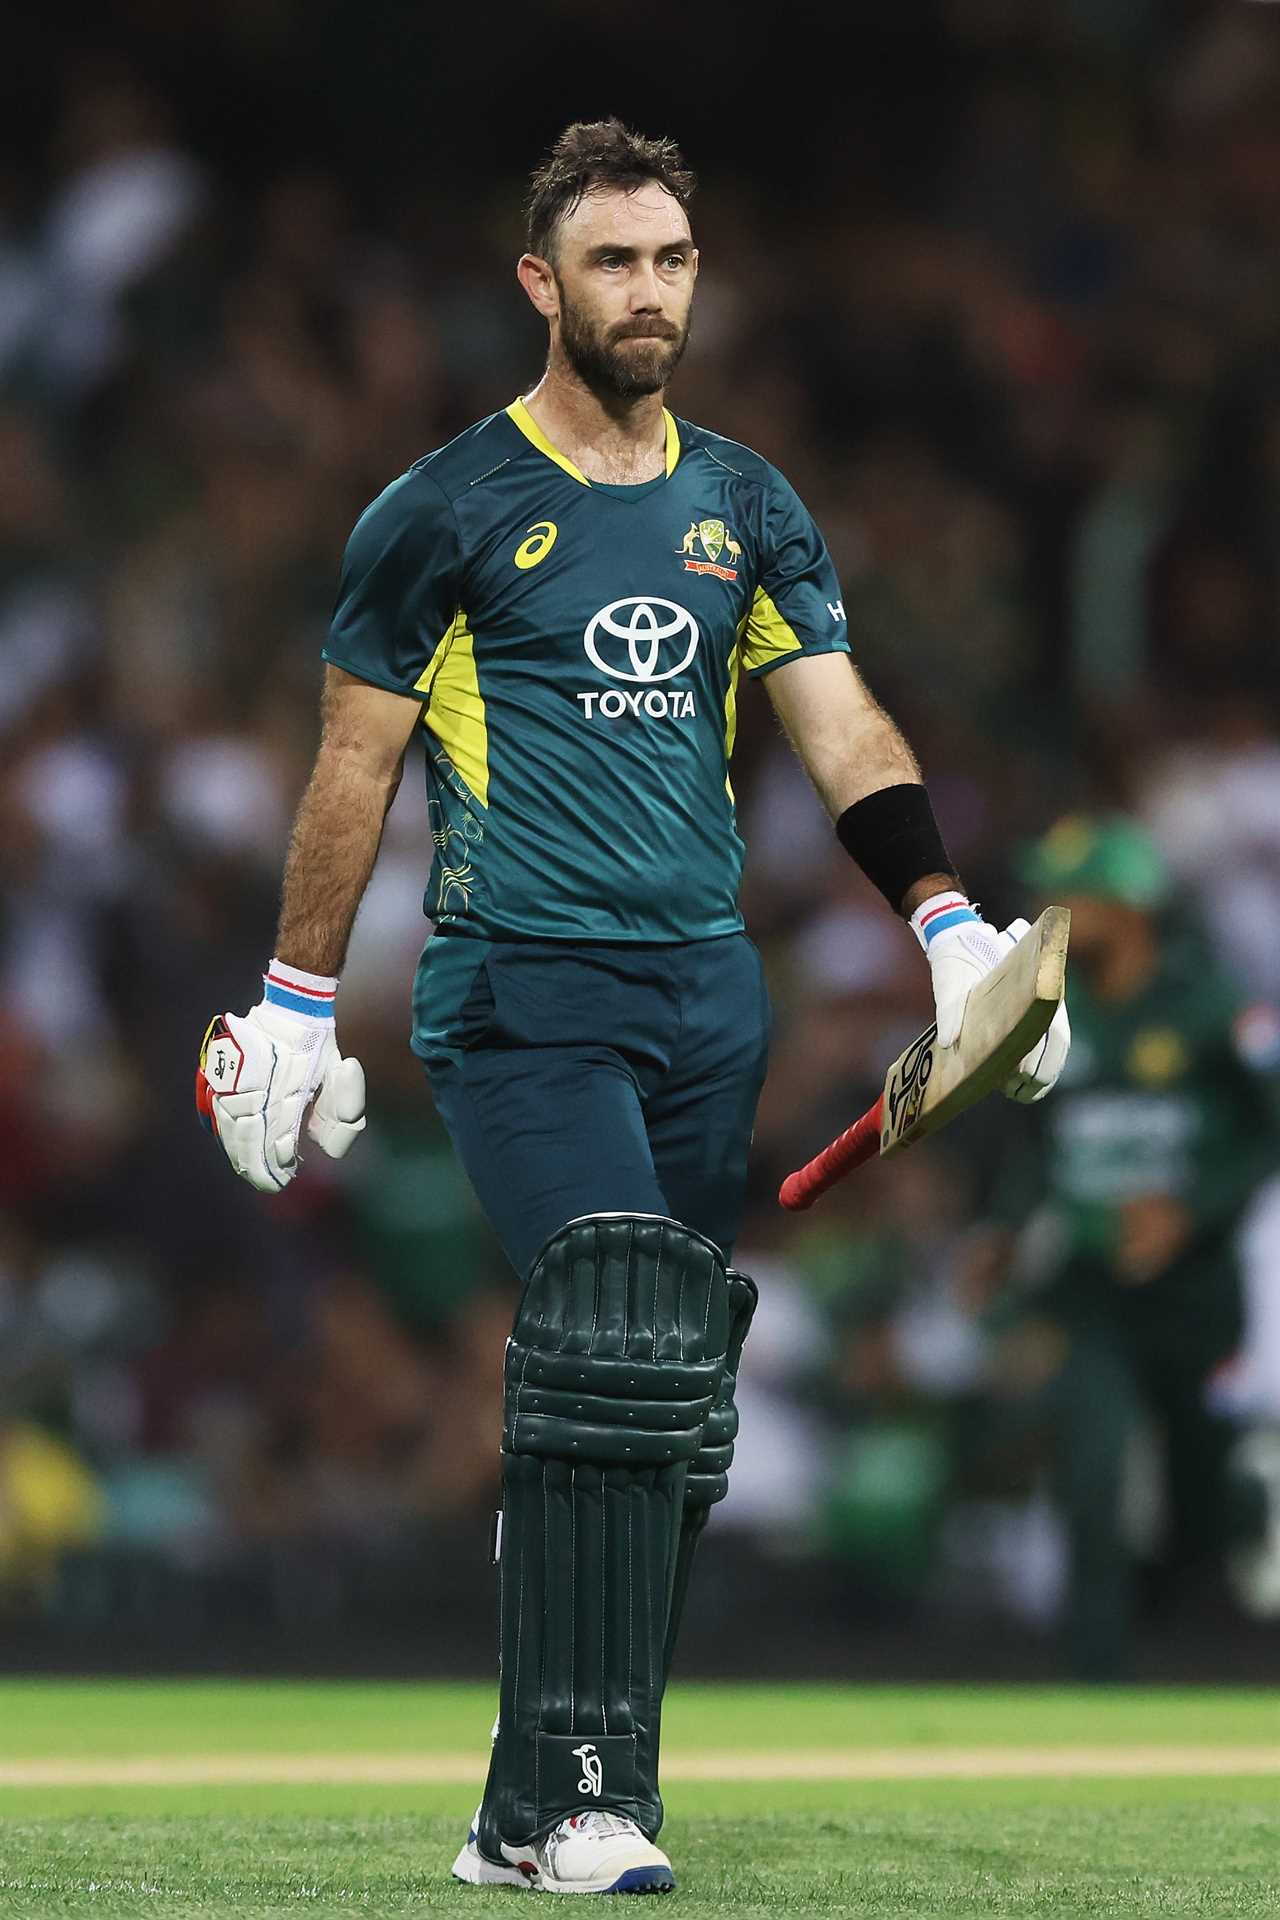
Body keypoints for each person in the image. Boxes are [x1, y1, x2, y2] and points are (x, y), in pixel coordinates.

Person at [196, 120, 1068, 1896]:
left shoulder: (745, 504)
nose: (649, 293)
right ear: (541, 283)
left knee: (669, 1413)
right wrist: (293, 1001)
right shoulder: (442, 509)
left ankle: (526, 1814)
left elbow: (843, 729)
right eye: (613, 262)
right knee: (612, 1326)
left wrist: (954, 929)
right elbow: (353, 767)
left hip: (705, 1003)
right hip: (523, 987)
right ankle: (590, 1803)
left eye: (672, 261)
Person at [966, 815, 1280, 1678]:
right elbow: (1032, 1147)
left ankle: (1211, 1669)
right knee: (1093, 1466)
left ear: (1128, 904)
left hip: (1197, 1286)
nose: (1048, 912)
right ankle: (1092, 1679)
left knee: (1201, 1482)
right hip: (1091, 1280)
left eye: (1072, 897)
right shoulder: (1047, 1011)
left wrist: (1191, 1209)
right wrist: (1000, 1232)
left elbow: (1266, 1135)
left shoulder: (1210, 1001)